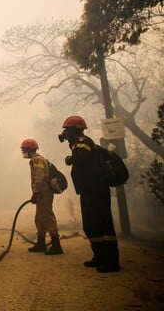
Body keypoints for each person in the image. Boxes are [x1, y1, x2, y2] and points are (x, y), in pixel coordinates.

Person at [59, 115, 120, 272]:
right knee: (91, 225)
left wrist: (70, 158)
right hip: (88, 190)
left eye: (67, 131)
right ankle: (99, 256)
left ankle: (111, 261)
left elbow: (81, 157)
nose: (65, 135)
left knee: (103, 225)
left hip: (97, 189)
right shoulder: (77, 143)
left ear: (75, 131)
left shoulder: (83, 142)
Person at [20, 138, 63, 255]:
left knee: (47, 216)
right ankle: (41, 243)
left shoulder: (37, 160)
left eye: (25, 150)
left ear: (30, 149)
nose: (24, 152)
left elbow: (39, 178)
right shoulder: (36, 159)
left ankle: (56, 244)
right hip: (41, 193)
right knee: (39, 218)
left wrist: (35, 192)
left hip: (44, 193)